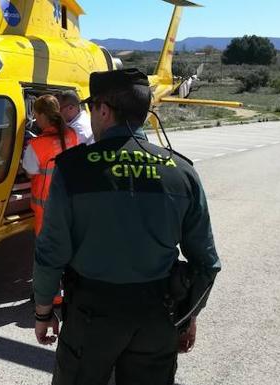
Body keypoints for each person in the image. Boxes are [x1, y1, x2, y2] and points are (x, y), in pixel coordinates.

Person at [32, 68, 221, 385]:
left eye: (92, 109)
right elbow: (206, 262)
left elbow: (52, 252)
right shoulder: (182, 172)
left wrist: (42, 311)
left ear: (104, 110)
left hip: (91, 318)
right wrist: (187, 317)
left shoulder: (72, 169)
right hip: (156, 318)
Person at [22, 94, 78, 236]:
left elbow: (30, 173)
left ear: (41, 116)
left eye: (35, 115)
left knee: (47, 251)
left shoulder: (36, 145)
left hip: (46, 211)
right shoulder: (72, 134)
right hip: (68, 203)